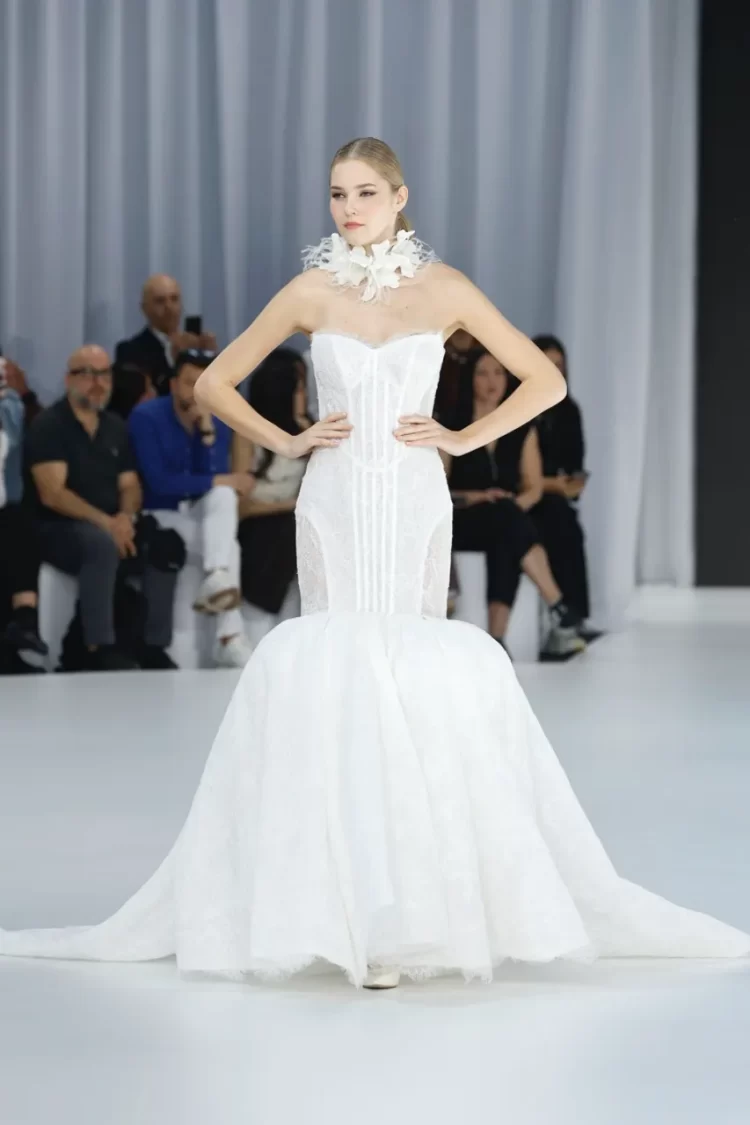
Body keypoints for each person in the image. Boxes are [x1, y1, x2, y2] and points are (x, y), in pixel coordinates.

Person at [2, 138, 747, 987]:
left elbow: (544, 381)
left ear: (399, 197)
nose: (348, 208)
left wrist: (463, 438)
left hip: (417, 496)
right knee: (342, 669)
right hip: (335, 496)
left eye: (364, 192)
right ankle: (347, 907)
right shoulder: (312, 290)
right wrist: (289, 439)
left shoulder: (446, 288)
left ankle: (407, 910)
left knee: (410, 671)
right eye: (336, 193)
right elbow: (212, 384)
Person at [25, 345, 177, 672]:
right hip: (57, 527)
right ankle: (97, 646)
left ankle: (153, 645)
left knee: (165, 544)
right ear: (69, 379)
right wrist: (108, 524)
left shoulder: (115, 426)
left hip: (111, 522)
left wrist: (125, 517)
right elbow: (53, 494)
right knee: (100, 545)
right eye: (88, 374)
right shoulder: (49, 425)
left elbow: (130, 485)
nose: (98, 382)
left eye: (105, 373)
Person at [445, 349, 585, 659]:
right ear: (470, 379)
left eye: (498, 372)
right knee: (507, 523)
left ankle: (498, 640)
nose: (492, 381)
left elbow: (533, 488)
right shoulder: (453, 426)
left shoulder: (521, 426)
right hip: (463, 516)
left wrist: (509, 508)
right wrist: (479, 497)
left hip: (504, 517)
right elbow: (439, 487)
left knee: (506, 532)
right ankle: (557, 603)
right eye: (482, 373)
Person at [128, 350, 254, 669]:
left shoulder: (216, 418)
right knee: (231, 547)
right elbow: (158, 483)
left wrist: (207, 432)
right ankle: (229, 638)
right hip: (161, 514)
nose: (198, 391)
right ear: (173, 385)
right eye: (190, 383)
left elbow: (214, 477)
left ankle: (217, 578)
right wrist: (218, 479)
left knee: (223, 496)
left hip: (199, 513)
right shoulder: (147, 417)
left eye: (204, 382)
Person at [531, 335, 597, 639]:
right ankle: (565, 614)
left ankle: (575, 615)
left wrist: (569, 482)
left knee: (567, 525)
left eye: (559, 365)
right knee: (559, 521)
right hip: (528, 495)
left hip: (553, 495)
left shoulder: (568, 410)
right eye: (548, 364)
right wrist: (549, 483)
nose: (554, 371)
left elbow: (574, 462)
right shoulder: (516, 406)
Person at [236, 349, 310, 616]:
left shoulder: (309, 430)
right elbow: (241, 507)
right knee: (283, 531)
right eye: (299, 388)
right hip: (261, 522)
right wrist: (290, 505)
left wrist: (303, 423)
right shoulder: (248, 433)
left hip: (294, 522)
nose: (305, 395)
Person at [0, 359, 48, 672]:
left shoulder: (11, 405)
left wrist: (23, 395)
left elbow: (28, 434)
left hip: (9, 509)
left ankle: (23, 622)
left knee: (18, 526)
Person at [115, 275, 217, 396]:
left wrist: (214, 359)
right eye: (160, 301)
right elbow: (144, 396)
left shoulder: (197, 346)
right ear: (144, 308)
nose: (169, 307)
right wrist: (177, 359)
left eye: (174, 299)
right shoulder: (129, 350)